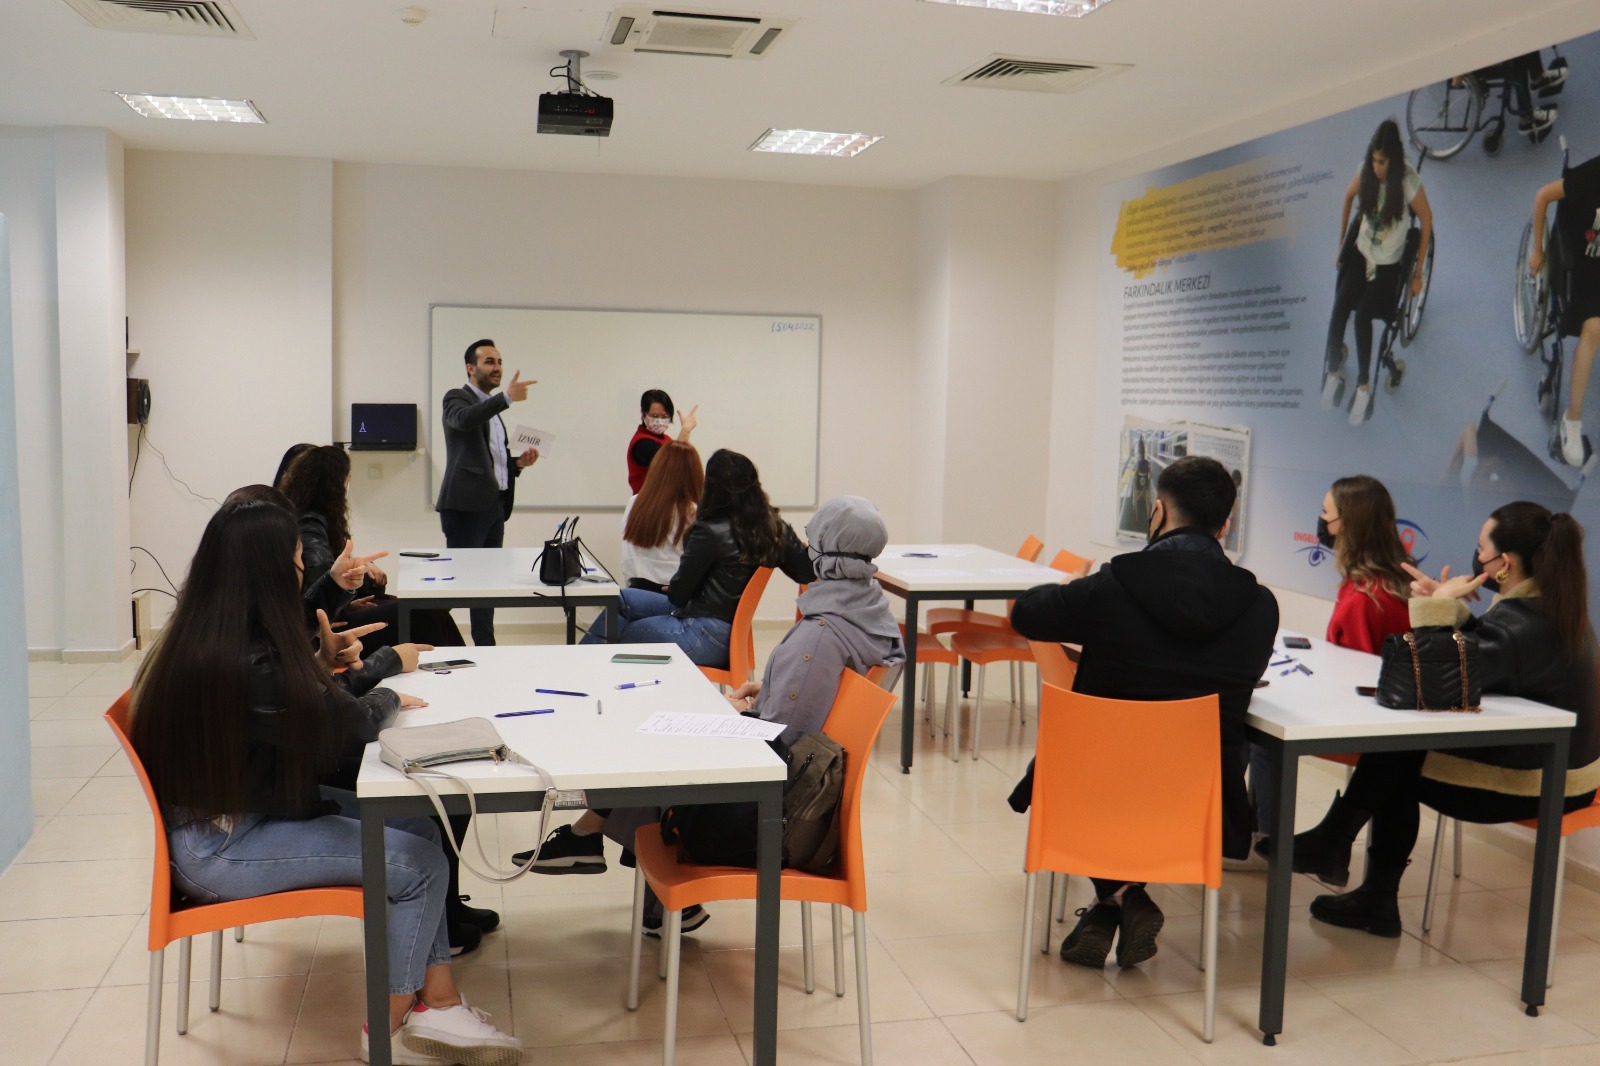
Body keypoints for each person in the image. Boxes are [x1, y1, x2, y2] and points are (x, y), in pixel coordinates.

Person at [127, 489, 522, 1066]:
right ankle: (388, 1028)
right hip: (223, 845)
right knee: (418, 865)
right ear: (268, 573)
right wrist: (386, 682)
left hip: (248, 807)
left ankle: (438, 1001)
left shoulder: (219, 628)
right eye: (296, 561)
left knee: (420, 823)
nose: (302, 572)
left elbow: (303, 705)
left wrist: (323, 667)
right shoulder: (244, 660)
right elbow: (347, 727)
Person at [515, 495, 904, 936]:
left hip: (773, 814)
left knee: (656, 750)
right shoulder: (865, 612)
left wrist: (731, 712)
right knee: (663, 741)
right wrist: (768, 689)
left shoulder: (821, 633)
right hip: (808, 801)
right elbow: (814, 704)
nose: (807, 550)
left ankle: (611, 850)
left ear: (829, 552)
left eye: (813, 541)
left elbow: (781, 738)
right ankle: (625, 868)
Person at [1005, 456, 1279, 969]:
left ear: (1157, 512)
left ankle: (1116, 898)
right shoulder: (1259, 606)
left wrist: (1069, 588)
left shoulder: (1113, 585)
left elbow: (1026, 614)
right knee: (1131, 773)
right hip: (1199, 799)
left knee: (1097, 765)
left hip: (1097, 789)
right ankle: (1120, 899)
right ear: (1225, 526)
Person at [1293, 502, 1600, 937]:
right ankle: (1346, 858)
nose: (1476, 555)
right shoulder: (1552, 610)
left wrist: (1435, 609)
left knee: (1398, 754)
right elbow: (1492, 653)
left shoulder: (1520, 625)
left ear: (1504, 564)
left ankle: (1354, 869)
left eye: (1481, 548)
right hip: (1567, 775)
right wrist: (1447, 609)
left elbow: (1427, 680)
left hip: (1534, 786)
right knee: (1400, 753)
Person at [1239, 476, 1413, 868]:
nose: (1321, 521)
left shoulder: (1365, 597)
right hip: (1378, 710)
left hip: (1364, 721)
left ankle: (1267, 841)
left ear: (1347, 523)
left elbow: (1355, 678)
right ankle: (1252, 832)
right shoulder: (1385, 582)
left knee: (1259, 735)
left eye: (1325, 513)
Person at [581, 449, 815, 668]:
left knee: (621, 628)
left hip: (702, 634)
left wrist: (678, 586)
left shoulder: (709, 530)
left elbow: (678, 595)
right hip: (725, 631)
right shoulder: (775, 529)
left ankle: (580, 669)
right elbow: (806, 572)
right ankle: (583, 669)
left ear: (712, 487)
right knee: (621, 599)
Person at [281, 445, 464, 651]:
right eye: (347, 480)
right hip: (325, 630)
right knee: (424, 613)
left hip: (330, 617)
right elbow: (322, 583)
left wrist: (347, 601)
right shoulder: (311, 525)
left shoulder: (311, 520)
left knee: (428, 612)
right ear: (334, 486)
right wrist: (351, 590)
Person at [1324, 119, 1433, 426]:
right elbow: (1348, 198)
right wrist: (1340, 245)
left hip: (1388, 264)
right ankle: (1333, 370)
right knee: (1340, 306)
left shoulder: (1407, 180)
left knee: (1362, 317)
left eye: (1382, 162)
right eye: (1373, 160)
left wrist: (1418, 274)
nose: (1376, 167)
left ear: (1393, 160)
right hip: (1361, 254)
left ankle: (1363, 386)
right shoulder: (1365, 172)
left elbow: (1427, 220)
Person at [435, 338, 539, 646]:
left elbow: (491, 460)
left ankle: (486, 646)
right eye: (489, 362)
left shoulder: (493, 411)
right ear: (471, 368)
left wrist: (517, 464)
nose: (497, 368)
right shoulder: (457, 398)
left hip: (494, 507)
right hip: (466, 509)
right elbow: (463, 420)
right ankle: (423, 632)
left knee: (487, 584)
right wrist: (506, 397)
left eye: (500, 362)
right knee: (458, 582)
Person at [1530, 151, 1600, 466]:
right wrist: (1538, 250)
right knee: (1594, 330)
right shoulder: (1591, 176)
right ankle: (1571, 421)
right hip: (1578, 267)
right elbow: (1542, 196)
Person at [621, 440, 703, 591]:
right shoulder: (693, 511)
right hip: (674, 596)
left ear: (657, 469)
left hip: (635, 593)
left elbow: (627, 557)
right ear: (694, 474)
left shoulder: (634, 503)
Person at [626, 389, 697, 494]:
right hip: (648, 502)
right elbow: (671, 466)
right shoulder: (642, 443)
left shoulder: (666, 439)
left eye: (664, 417)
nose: (659, 421)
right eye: (655, 416)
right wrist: (685, 431)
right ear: (643, 415)